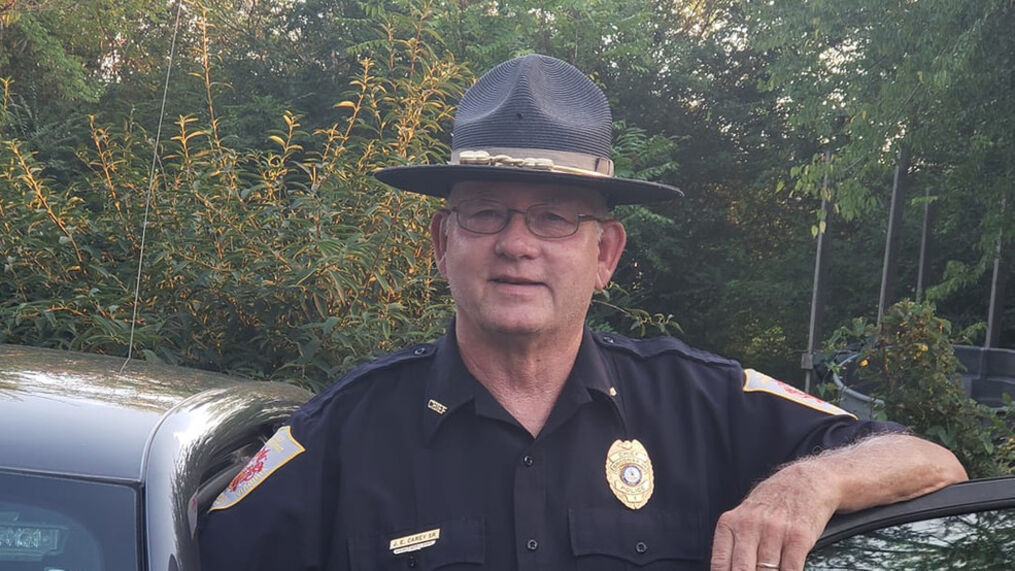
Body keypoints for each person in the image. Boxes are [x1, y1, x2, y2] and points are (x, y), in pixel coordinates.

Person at [199, 54, 966, 571]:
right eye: (485, 212)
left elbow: (931, 461)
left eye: (554, 218)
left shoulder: (700, 403)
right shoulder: (341, 433)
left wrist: (803, 486)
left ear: (605, 254)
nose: (516, 244)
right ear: (441, 241)